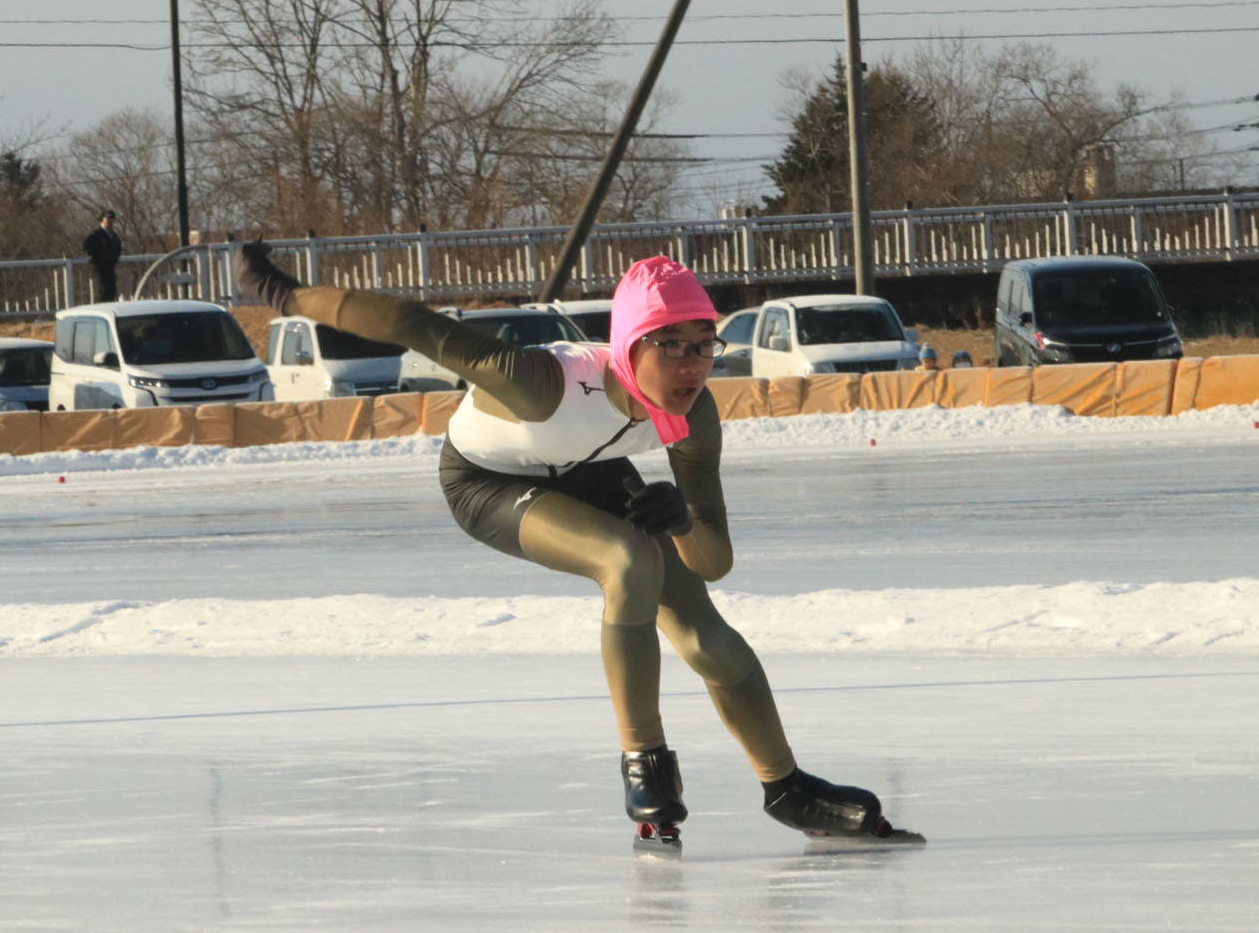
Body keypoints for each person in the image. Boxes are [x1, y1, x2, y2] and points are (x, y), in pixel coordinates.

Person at [236, 242, 909, 842]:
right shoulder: (540, 382)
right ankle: (644, 759)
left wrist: (682, 521)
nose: (692, 366)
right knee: (628, 558)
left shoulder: (693, 415)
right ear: (630, 347)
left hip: (590, 470)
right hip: (487, 481)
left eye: (705, 345)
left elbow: (714, 561)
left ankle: (786, 788)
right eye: (670, 345)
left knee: (706, 636)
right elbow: (416, 325)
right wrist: (286, 295)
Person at [82, 209, 121, 303]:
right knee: (102, 290)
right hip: (99, 267)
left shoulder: (114, 235)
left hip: (110, 266)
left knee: (112, 291)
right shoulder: (96, 234)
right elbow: (86, 246)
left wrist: (114, 259)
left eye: (112, 219)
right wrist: (97, 255)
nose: (110, 221)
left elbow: (118, 248)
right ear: (103, 220)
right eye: (108, 219)